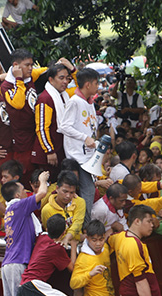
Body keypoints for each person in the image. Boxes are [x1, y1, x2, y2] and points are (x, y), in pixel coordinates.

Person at [108, 204, 161, 296]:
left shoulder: (120, 237)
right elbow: (140, 281)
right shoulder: (133, 244)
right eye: (149, 221)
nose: (152, 225)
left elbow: (109, 238)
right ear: (137, 221)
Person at [61, 68, 100, 222]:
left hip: (88, 156)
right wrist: (85, 138)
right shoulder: (74, 102)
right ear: (88, 84)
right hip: (77, 156)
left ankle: (83, 223)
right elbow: (64, 126)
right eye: (96, 83)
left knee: (88, 191)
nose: (98, 87)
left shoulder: (88, 102)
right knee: (88, 190)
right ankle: (85, 225)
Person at [71, 219, 120, 296]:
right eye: (94, 240)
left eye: (101, 239)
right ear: (87, 238)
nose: (98, 244)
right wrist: (90, 274)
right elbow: (73, 283)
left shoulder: (106, 249)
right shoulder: (83, 259)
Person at [32, 61, 76, 175]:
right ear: (51, 80)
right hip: (49, 154)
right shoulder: (45, 98)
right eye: (61, 78)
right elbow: (42, 127)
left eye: (67, 78)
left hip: (61, 149)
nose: (65, 82)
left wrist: (73, 69)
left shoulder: (64, 95)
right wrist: (49, 151)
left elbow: (82, 88)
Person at [41, 171, 86, 246]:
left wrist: (67, 238)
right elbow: (53, 235)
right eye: (65, 191)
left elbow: (78, 222)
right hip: (58, 245)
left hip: (78, 244)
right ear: (57, 188)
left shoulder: (80, 202)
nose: (68, 196)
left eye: (72, 193)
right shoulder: (47, 210)